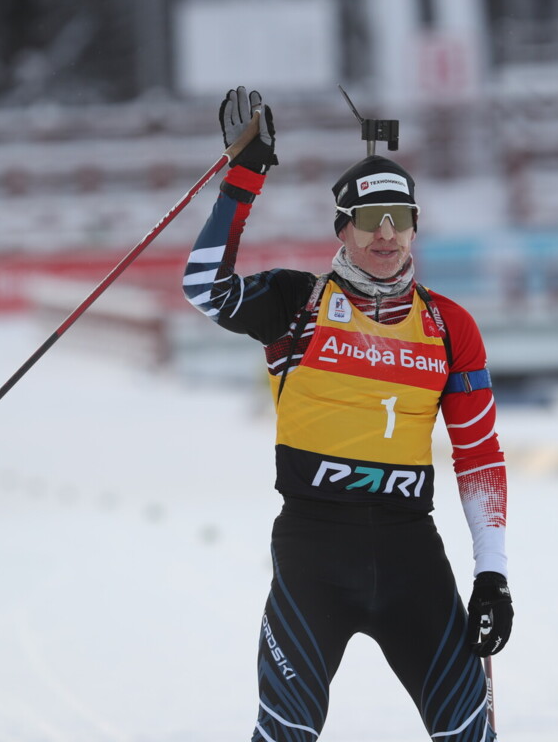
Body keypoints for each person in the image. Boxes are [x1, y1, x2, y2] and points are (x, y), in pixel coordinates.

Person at [183, 87, 512, 742]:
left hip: (410, 554)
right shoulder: (295, 303)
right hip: (314, 554)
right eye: (368, 220)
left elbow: (479, 455)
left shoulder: (449, 326)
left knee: (470, 733)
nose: (384, 235)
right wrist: (243, 178)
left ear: (416, 225)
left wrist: (492, 575)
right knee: (284, 734)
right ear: (341, 228)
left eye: (398, 217)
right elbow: (203, 286)